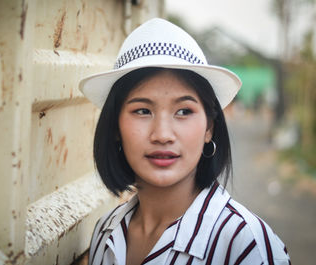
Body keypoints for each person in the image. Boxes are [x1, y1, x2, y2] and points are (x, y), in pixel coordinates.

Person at [79, 18, 290, 265]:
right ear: (115, 126)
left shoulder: (246, 245)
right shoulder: (105, 235)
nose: (162, 134)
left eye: (184, 111)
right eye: (142, 111)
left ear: (209, 128)